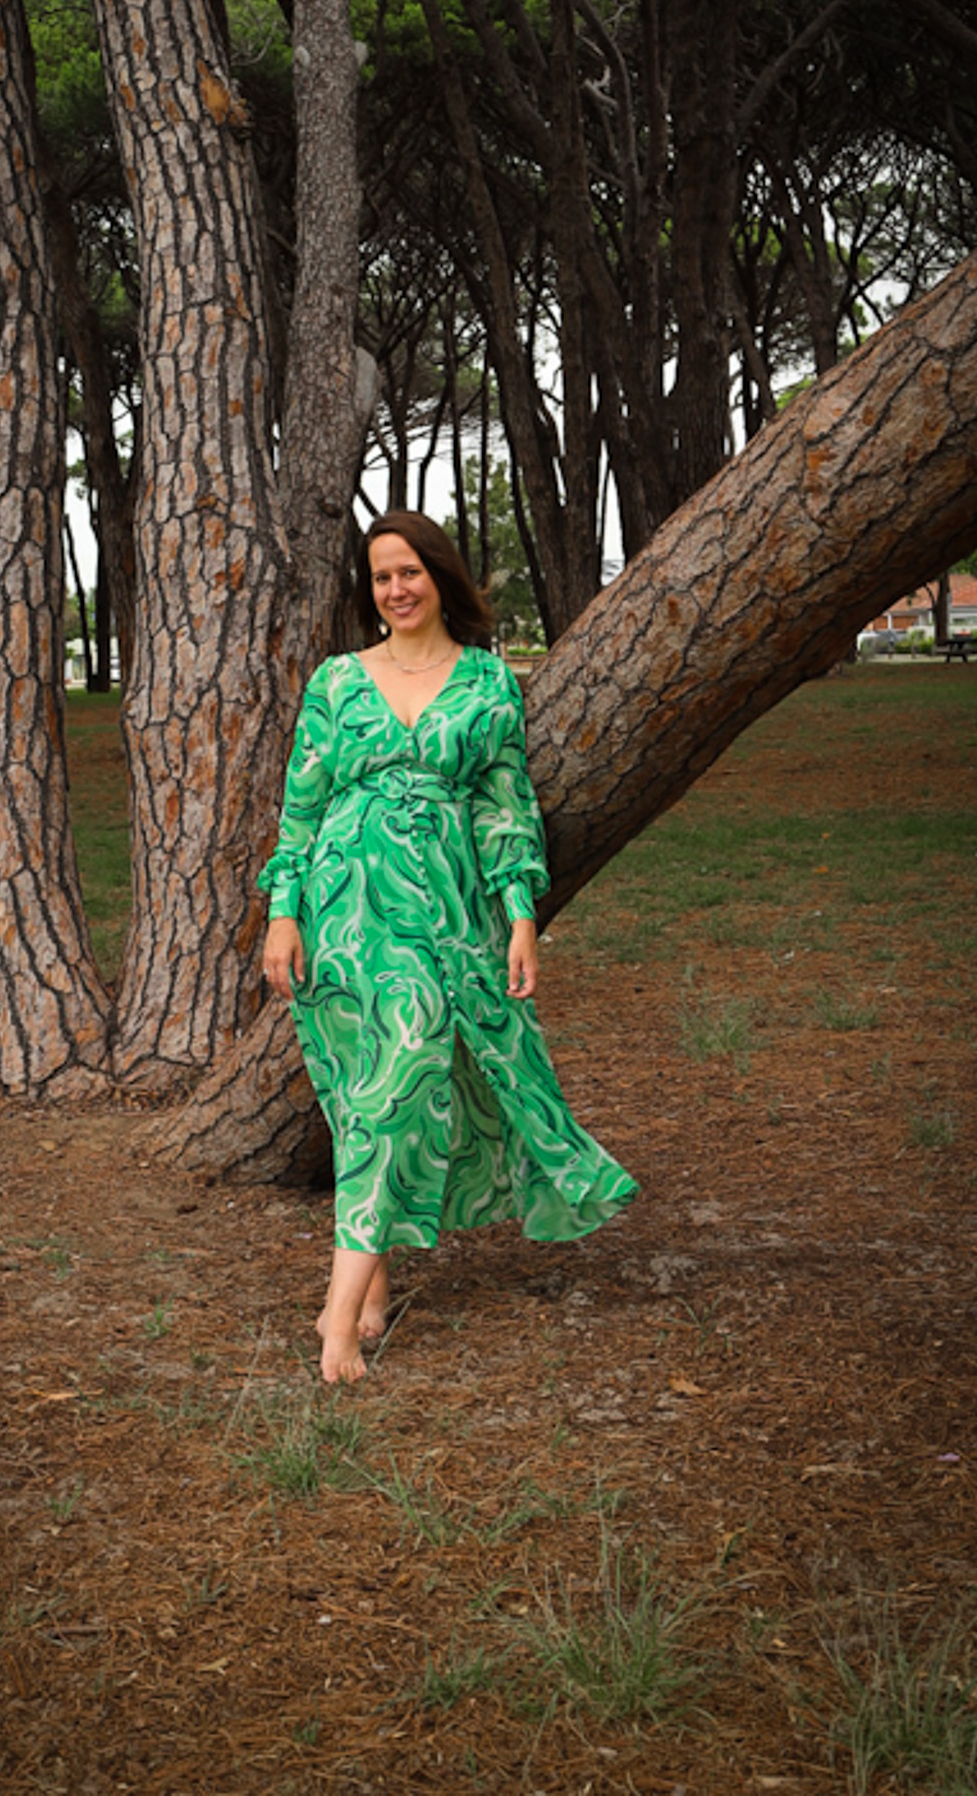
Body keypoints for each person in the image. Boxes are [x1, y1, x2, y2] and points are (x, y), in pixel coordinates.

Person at [259, 511, 637, 1383]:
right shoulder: (338, 681)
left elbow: (506, 808)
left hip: (449, 912)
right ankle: (364, 1292)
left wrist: (520, 915)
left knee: (405, 1070)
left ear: (439, 576)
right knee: (369, 1091)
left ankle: (338, 1312)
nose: (396, 589)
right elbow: (302, 806)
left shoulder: (487, 682)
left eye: (410, 572)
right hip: (346, 910)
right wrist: (284, 912)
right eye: (381, 576)